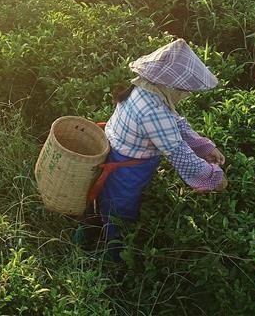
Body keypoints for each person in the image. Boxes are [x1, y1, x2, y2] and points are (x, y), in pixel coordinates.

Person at [96, 39, 227, 258]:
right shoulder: (153, 110)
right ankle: (114, 258)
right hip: (126, 168)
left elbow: (176, 123)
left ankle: (100, 231)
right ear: (170, 85)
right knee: (120, 212)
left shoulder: (145, 88)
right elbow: (179, 153)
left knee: (111, 202)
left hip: (122, 156)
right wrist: (214, 177)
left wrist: (205, 148)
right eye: (184, 90)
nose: (186, 94)